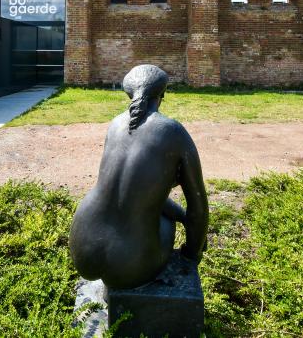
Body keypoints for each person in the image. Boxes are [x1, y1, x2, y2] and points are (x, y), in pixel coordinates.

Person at [69, 64, 209, 290]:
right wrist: (192, 255)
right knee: (166, 222)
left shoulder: (115, 124)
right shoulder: (174, 133)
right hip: (131, 265)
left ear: (129, 93)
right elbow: (199, 208)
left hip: (83, 247)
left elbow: (132, 192)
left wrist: (183, 216)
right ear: (162, 94)